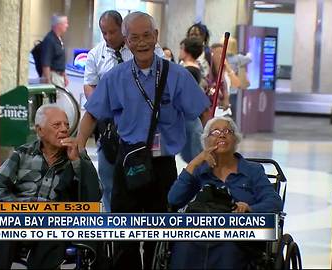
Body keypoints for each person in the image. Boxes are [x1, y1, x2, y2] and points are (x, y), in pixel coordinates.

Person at [77, 11, 211, 269]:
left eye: (147, 36)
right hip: (127, 160)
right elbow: (92, 112)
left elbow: (204, 111)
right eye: (135, 37)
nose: (141, 42)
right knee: (123, 232)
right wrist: (79, 142)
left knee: (159, 234)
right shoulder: (116, 77)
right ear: (126, 41)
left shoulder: (177, 75)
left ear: (156, 36)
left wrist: (214, 138)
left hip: (162, 166)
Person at [0, 104, 101, 269]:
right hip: (19, 218)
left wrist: (76, 162)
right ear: (40, 131)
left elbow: (95, 194)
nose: (64, 129)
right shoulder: (23, 154)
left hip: (55, 222)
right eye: (56, 125)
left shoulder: (76, 157)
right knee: (4, 230)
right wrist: (14, 207)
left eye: (66, 125)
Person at [168, 116, 283, 269]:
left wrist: (250, 209)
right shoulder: (199, 171)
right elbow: (174, 199)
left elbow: (274, 202)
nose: (222, 135)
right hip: (200, 232)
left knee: (228, 247)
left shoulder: (252, 171)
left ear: (236, 140)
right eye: (215, 132)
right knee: (184, 244)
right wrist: (194, 163)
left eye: (227, 131)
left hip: (238, 236)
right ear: (205, 141)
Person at [83, 10, 164, 212]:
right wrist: (102, 106)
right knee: (110, 179)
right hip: (110, 126)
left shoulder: (147, 50)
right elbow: (89, 85)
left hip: (147, 127)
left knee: (150, 178)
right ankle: (115, 229)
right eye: (104, 33)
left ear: (123, 29)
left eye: (113, 31)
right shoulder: (96, 55)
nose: (109, 37)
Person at [178, 37, 204, 163]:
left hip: (188, 116)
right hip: (189, 115)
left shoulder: (189, 70)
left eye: (181, 48)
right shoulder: (194, 68)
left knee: (193, 152)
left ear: (186, 50)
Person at [41, 14, 69, 88]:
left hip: (59, 77)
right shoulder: (50, 40)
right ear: (59, 25)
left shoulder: (59, 39)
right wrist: (48, 83)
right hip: (53, 77)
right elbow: (46, 63)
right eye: (65, 23)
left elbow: (59, 61)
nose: (67, 25)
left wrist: (64, 75)